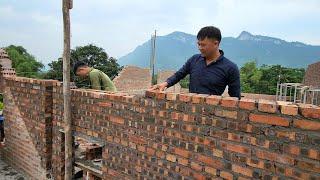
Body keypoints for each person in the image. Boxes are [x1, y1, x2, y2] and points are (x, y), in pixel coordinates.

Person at [150, 26, 240, 98]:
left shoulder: (230, 68)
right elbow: (179, 75)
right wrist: (165, 84)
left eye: (203, 45)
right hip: (191, 113)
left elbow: (235, 97)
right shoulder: (194, 60)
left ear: (216, 44)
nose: (200, 48)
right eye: (198, 44)